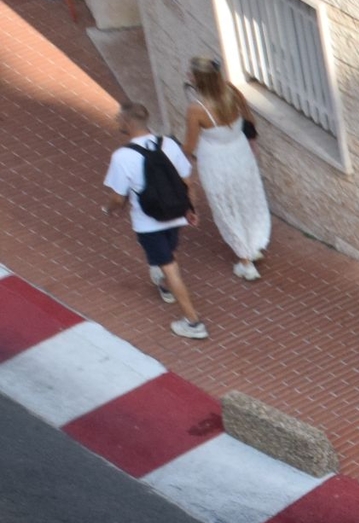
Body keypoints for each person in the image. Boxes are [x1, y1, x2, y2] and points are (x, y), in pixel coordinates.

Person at [102, 101, 206, 340]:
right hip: (176, 214)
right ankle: (165, 286)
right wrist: (191, 209)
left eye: (118, 119)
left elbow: (118, 197)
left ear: (127, 123)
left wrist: (109, 210)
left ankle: (193, 322)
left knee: (170, 267)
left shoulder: (122, 157)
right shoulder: (168, 144)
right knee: (169, 252)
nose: (116, 122)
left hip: (148, 222)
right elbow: (187, 181)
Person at [179, 56, 271, 280]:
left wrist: (180, 161)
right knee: (247, 198)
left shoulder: (197, 110)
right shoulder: (232, 92)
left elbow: (190, 144)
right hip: (241, 154)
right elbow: (248, 119)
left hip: (216, 161)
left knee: (227, 205)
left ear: (199, 79)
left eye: (191, 73)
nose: (188, 75)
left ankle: (245, 262)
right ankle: (255, 244)